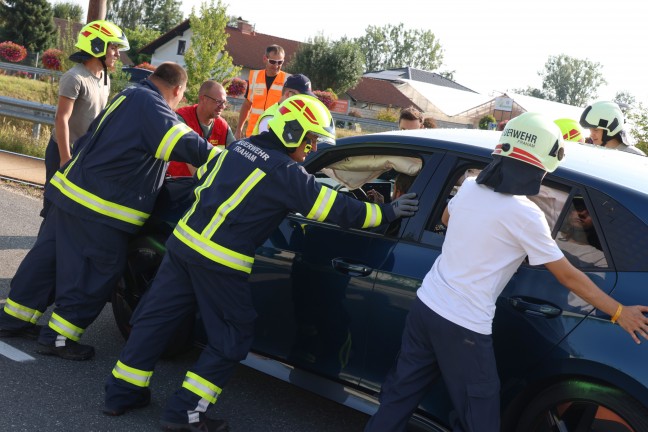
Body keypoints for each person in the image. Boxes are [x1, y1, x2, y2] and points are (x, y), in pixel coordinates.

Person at [103, 94, 419, 431]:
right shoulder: (286, 173)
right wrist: (387, 212)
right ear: (293, 133)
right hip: (219, 262)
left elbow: (207, 178)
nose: (311, 149)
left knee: (155, 319)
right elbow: (338, 209)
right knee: (232, 336)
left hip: (183, 245)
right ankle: (185, 413)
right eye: (310, 140)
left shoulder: (240, 147)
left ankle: (121, 394)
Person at [364, 112, 648, 432]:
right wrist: (619, 311)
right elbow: (567, 275)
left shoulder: (470, 186)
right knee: (481, 418)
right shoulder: (525, 215)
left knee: (399, 397)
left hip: (426, 307)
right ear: (537, 166)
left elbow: (446, 218)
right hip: (464, 329)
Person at [0, 63, 220, 360]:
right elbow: (187, 144)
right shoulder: (151, 105)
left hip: (72, 194)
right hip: (100, 207)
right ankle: (60, 339)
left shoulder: (129, 94)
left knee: (48, 260)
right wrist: (234, 160)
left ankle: (14, 318)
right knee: (95, 270)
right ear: (178, 89)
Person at [42, 20, 129, 218]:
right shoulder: (75, 77)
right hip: (63, 151)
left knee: (73, 210)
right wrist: (65, 160)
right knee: (53, 208)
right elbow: (61, 119)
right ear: (97, 46)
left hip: (85, 153)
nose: (117, 54)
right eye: (113, 47)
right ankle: (44, 246)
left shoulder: (105, 78)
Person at [167, 80, 235, 176]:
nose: (222, 107)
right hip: (176, 183)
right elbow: (193, 167)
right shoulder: (181, 119)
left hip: (205, 186)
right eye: (219, 102)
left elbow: (235, 157)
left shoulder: (223, 126)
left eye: (224, 102)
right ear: (203, 99)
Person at [235, 44, 287, 139]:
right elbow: (247, 104)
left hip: (274, 136)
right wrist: (239, 129)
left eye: (280, 62)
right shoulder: (254, 77)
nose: (276, 66)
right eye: (272, 62)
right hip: (253, 134)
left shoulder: (287, 81)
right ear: (265, 59)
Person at [580, 101, 646, 156]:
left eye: (596, 130)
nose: (591, 135)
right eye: (590, 130)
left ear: (612, 127)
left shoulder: (635, 156)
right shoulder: (594, 154)